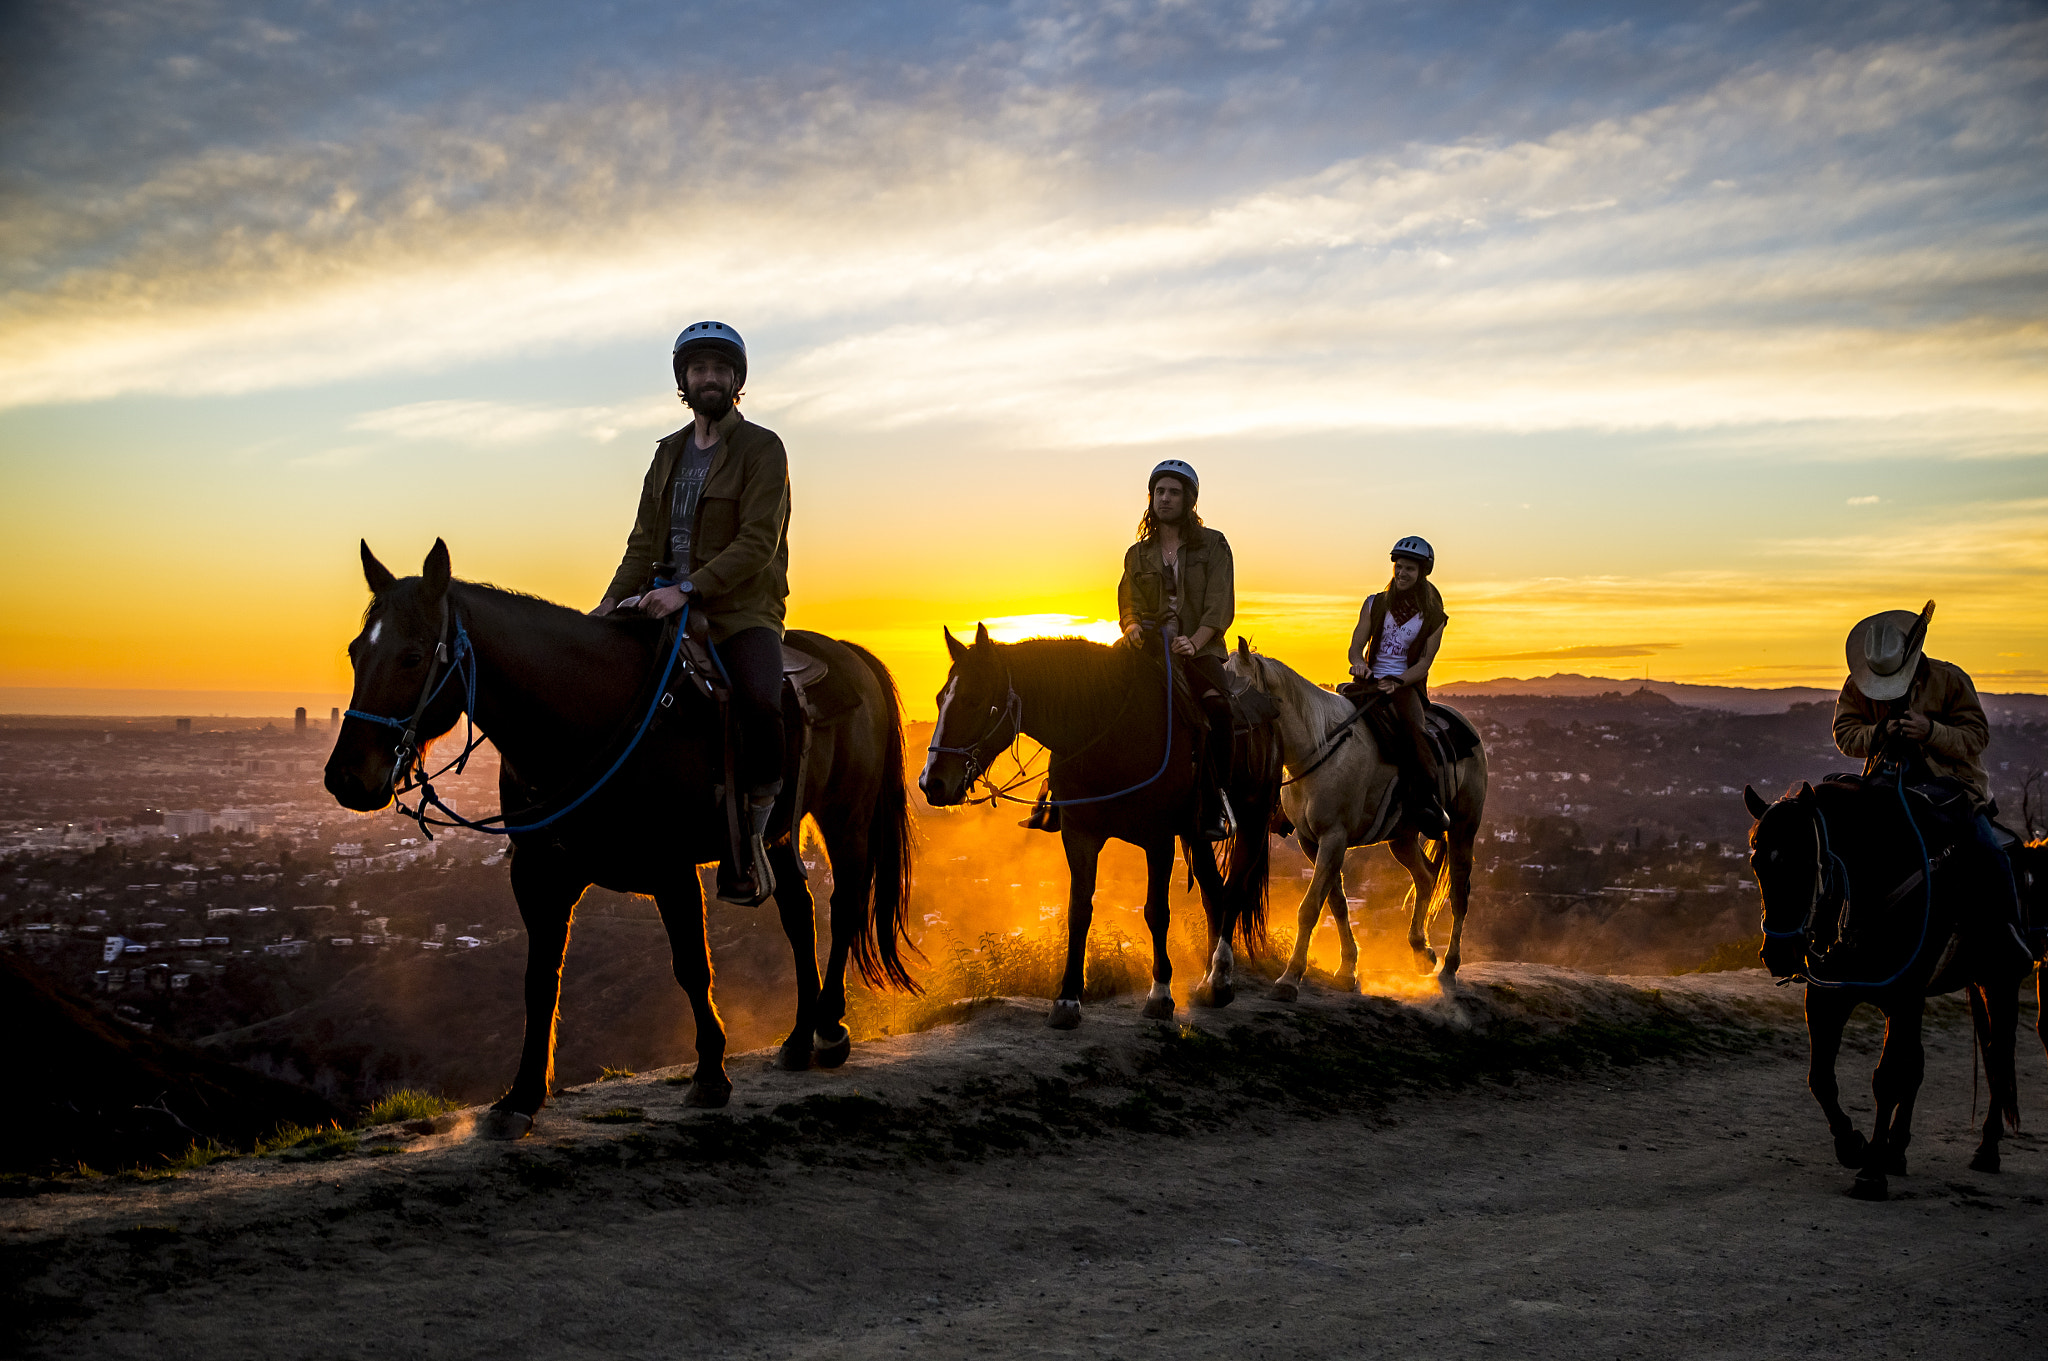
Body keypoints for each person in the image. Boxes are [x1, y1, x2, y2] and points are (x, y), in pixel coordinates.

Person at [593, 321, 790, 905]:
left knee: (758, 698)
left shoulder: (762, 448)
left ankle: (754, 837)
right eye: (698, 369)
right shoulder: (667, 453)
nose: (709, 378)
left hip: (739, 609)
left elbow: (758, 542)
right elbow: (641, 541)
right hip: (657, 599)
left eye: (721, 370)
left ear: (737, 381)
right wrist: (607, 604)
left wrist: (690, 590)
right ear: (683, 380)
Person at [1833, 602, 2033, 969]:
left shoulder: (1950, 679)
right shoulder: (1858, 685)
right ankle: (1836, 938)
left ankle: (2011, 934)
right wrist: (1880, 732)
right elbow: (1845, 734)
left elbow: (1976, 736)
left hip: (1954, 789)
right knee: (1840, 850)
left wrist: (1931, 732)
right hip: (1887, 785)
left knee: (1989, 851)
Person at [1117, 459, 1237, 840]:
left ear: (1189, 500)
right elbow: (1128, 601)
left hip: (1200, 650)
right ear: (1150, 497)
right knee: (1095, 692)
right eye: (1159, 491)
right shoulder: (1137, 554)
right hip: (1150, 649)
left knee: (1218, 707)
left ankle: (1216, 800)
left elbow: (1220, 604)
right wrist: (1132, 625)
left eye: (1174, 492)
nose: (1165, 498)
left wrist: (1196, 641)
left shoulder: (1214, 544)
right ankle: (1058, 793)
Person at [1344, 536, 1449, 835]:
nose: (1402, 573)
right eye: (1399, 567)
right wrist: (1359, 663)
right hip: (1369, 680)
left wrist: (1398, 681)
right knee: (1329, 717)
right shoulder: (1374, 603)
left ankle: (1427, 799)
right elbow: (1355, 646)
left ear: (1422, 574)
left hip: (1404, 686)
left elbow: (1424, 663)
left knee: (1415, 731)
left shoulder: (1433, 616)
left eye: (1409, 569)